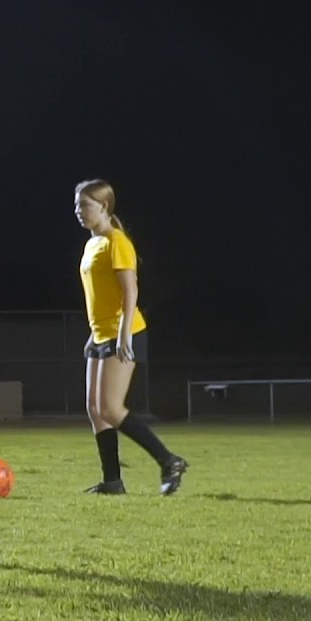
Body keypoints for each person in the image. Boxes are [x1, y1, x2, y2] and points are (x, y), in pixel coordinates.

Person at [75, 179, 188, 495]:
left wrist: (123, 334)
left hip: (124, 333)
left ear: (104, 207)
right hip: (99, 335)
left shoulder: (117, 241)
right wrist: (93, 335)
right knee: (94, 409)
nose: (78, 211)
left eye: (85, 205)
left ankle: (169, 461)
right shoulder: (91, 244)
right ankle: (112, 481)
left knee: (111, 408)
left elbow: (130, 290)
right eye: (76, 205)